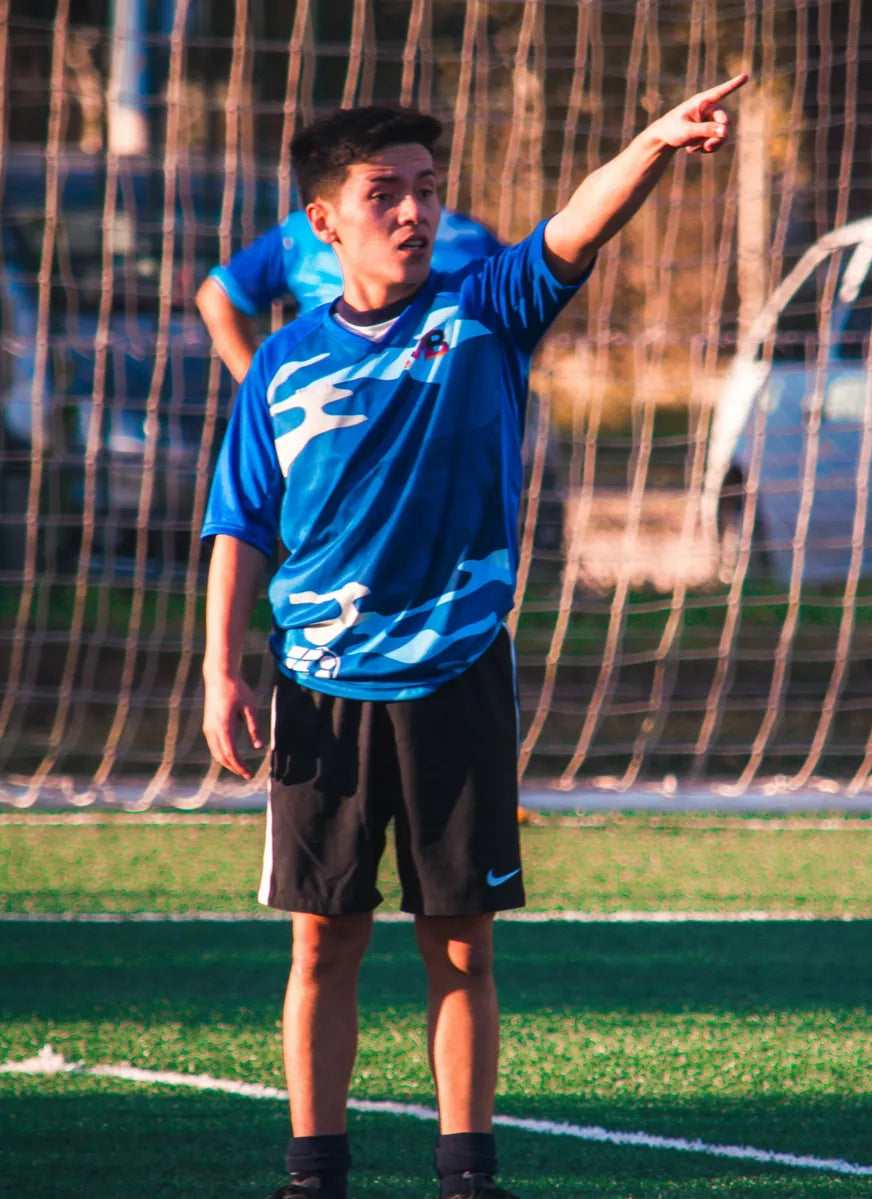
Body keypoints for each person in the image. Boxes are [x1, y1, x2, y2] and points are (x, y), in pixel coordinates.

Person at [201, 77, 746, 1199]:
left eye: (428, 191)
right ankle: (314, 1171)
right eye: (384, 193)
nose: (413, 212)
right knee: (321, 942)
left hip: (455, 676)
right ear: (325, 221)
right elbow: (239, 524)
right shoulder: (281, 364)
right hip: (319, 684)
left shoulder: (485, 315)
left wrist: (647, 140)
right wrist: (218, 667)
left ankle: (467, 1170)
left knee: (460, 944)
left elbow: (578, 221)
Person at [196, 202, 503, 382]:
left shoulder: (471, 237)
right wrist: (260, 389)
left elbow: (528, 310)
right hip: (333, 417)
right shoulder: (306, 231)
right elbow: (218, 295)